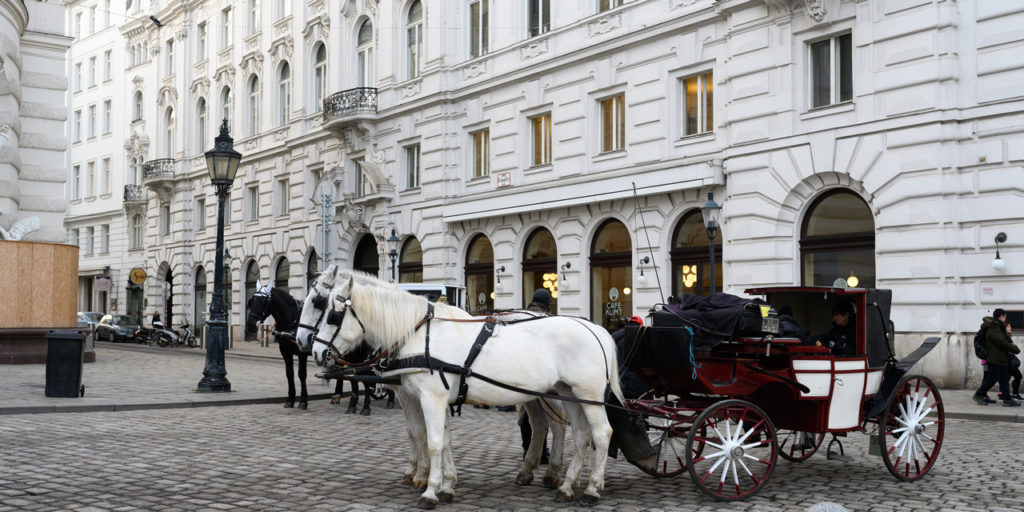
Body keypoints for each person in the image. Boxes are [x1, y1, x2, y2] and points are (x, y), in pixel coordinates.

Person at [518, 288, 553, 461]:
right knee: (543, 415)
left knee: (526, 414)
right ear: (547, 303)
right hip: (542, 373)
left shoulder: (522, 317)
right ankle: (542, 452)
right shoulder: (548, 319)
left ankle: (527, 450)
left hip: (524, 372)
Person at [972, 308, 1021, 407]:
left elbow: (1003, 340)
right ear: (1001, 316)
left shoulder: (997, 326)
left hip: (1001, 358)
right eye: (1005, 317)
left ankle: (1007, 399)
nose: (1005, 319)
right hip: (995, 358)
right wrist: (1014, 349)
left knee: (1004, 378)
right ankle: (978, 394)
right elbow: (1001, 342)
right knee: (992, 378)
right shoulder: (994, 327)